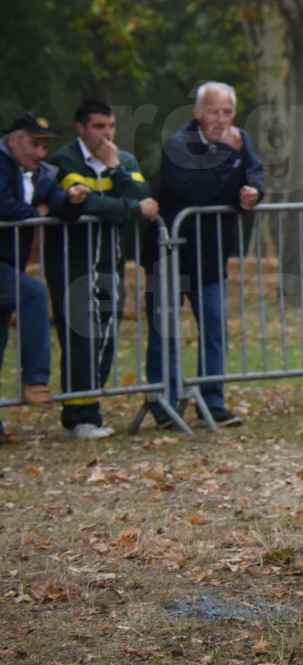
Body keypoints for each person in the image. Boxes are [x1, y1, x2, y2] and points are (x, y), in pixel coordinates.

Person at [144, 82, 265, 428]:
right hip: (168, 254)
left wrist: (253, 192)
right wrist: (227, 157)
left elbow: (255, 171)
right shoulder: (178, 144)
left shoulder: (238, 140)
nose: (221, 118)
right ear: (197, 112)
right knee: (164, 330)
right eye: (213, 111)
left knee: (214, 329)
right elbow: (194, 190)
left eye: (227, 112)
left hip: (211, 255)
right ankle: (163, 403)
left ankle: (212, 402)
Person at [44, 100, 158, 440]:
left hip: (111, 259)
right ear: (80, 127)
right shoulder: (65, 160)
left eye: (110, 126)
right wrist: (129, 207)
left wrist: (114, 171)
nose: (106, 134)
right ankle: (79, 417)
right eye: (98, 127)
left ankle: (88, 409)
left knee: (106, 334)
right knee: (80, 335)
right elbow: (87, 207)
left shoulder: (123, 160)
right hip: (72, 261)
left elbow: (144, 199)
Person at [1, 113, 88, 438]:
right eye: (34, 144)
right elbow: (3, 205)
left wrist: (72, 200)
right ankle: (35, 379)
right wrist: (38, 213)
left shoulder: (41, 173)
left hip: (9, 264)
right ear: (14, 139)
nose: (40, 153)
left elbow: (57, 205)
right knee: (34, 294)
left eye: (44, 146)